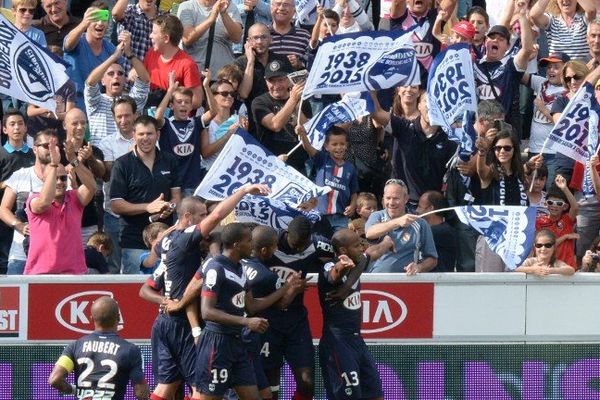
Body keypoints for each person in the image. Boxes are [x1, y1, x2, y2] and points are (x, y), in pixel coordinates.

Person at [140, 184, 270, 400]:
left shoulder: (167, 241)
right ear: (189, 217)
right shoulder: (186, 241)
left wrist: (166, 300)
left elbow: (146, 287)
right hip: (183, 324)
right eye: (202, 216)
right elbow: (218, 214)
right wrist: (244, 191)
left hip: (164, 322)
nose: (208, 219)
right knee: (198, 389)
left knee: (167, 385)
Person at [262, 215, 335, 400]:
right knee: (271, 385)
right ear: (286, 234)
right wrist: (290, 289)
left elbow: (340, 255)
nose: (299, 248)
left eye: (304, 244)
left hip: (296, 321)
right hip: (267, 321)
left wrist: (333, 268)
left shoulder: (319, 246)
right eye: (296, 244)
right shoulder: (269, 243)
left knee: (307, 382)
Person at [193, 223, 269, 400]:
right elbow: (207, 311)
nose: (252, 245)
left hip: (237, 343)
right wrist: (246, 322)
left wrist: (286, 290)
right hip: (216, 343)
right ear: (236, 245)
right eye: (248, 241)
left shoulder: (240, 268)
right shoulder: (215, 268)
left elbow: (251, 306)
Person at [110, 116, 182, 274]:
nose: (145, 138)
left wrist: (170, 206)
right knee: (133, 293)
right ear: (133, 135)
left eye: (149, 134)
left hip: (165, 239)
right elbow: (116, 204)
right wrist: (148, 207)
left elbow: (176, 197)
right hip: (133, 241)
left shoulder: (170, 161)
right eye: (141, 134)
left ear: (158, 135)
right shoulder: (122, 164)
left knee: (164, 291)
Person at [319, 229, 383, 400]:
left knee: (376, 395)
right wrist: (342, 266)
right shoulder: (330, 265)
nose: (361, 248)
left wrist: (388, 242)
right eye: (356, 246)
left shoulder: (358, 262)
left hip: (357, 341)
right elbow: (333, 276)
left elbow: (368, 255)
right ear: (343, 251)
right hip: (338, 344)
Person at [48, 296, 150, 400]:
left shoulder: (74, 347)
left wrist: (74, 390)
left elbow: (54, 380)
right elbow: (141, 393)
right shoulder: (131, 350)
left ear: (91, 318)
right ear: (118, 318)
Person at [371, 92, 457, 210]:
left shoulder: (450, 139)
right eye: (427, 101)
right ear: (419, 106)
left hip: (431, 209)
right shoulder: (404, 128)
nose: (431, 106)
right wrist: (369, 88)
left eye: (436, 102)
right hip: (403, 205)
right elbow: (376, 112)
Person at [24, 140, 96, 275]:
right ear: (44, 180)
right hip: (40, 275)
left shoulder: (75, 198)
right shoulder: (34, 200)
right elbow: (45, 202)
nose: (59, 182)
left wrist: (74, 160)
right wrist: (53, 164)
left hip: (74, 274)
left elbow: (91, 186)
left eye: (63, 178)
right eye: (55, 178)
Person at [0, 130, 56, 275]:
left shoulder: (62, 177)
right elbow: (3, 209)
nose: (51, 149)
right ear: (35, 148)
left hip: (54, 255)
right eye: (46, 145)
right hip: (20, 255)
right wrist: (18, 225)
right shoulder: (20, 175)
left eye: (54, 146)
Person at [85, 30, 150, 146]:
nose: (116, 76)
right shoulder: (97, 101)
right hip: (100, 157)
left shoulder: (131, 101)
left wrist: (129, 52)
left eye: (120, 74)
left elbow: (145, 80)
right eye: (110, 74)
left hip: (127, 157)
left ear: (125, 80)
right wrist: (114, 56)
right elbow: (90, 82)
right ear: (102, 81)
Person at [98, 96, 138, 273]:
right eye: (119, 116)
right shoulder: (107, 142)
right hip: (113, 214)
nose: (123, 120)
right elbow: (108, 175)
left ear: (135, 115)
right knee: (113, 266)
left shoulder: (146, 139)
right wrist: (131, 156)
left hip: (140, 213)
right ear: (113, 117)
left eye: (127, 115)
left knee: (137, 264)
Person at [365, 179, 438, 274]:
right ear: (383, 199)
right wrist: (398, 222)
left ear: (406, 199)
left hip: (405, 282)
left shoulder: (420, 223)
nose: (391, 203)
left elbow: (432, 259)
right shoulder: (377, 216)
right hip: (375, 282)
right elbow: (369, 233)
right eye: (388, 198)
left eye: (396, 198)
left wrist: (419, 267)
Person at [251, 59, 311, 173]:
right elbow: (275, 125)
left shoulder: (302, 101)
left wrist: (297, 104)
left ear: (289, 79)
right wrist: (292, 100)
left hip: (299, 166)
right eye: (271, 81)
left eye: (280, 80)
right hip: (270, 165)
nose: (276, 86)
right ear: (266, 81)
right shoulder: (259, 102)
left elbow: (308, 130)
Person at [297, 125, 359, 232]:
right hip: (319, 214)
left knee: (341, 243)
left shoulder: (350, 168)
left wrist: (353, 205)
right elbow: (308, 147)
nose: (338, 147)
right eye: (334, 144)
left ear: (346, 145)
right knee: (319, 241)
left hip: (340, 217)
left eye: (342, 144)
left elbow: (354, 191)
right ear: (326, 146)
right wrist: (302, 134)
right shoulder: (322, 159)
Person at [155, 73, 207, 196]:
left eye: (187, 102)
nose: (183, 104)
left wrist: (206, 87)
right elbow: (157, 117)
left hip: (192, 184)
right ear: (172, 106)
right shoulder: (166, 123)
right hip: (171, 185)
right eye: (179, 102)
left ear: (191, 106)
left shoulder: (196, 122)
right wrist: (170, 91)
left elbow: (214, 112)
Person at [235, 23, 293, 130]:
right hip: (252, 120)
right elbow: (243, 93)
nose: (260, 42)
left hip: (280, 117)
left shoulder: (281, 60)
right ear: (248, 41)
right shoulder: (241, 63)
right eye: (255, 38)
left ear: (271, 39)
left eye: (263, 37)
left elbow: (290, 88)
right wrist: (251, 62)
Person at [63, 1, 120, 110]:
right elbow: (68, 45)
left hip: (99, 104)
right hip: (74, 103)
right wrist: (84, 23)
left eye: (104, 19)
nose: (100, 23)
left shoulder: (110, 49)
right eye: (95, 18)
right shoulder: (77, 40)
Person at [523, 51, 570, 186]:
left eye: (556, 67)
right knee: (531, 191)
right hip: (535, 150)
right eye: (548, 67)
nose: (551, 70)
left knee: (550, 195)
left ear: (566, 69)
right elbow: (518, 74)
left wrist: (543, 108)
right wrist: (527, 57)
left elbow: (561, 124)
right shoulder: (541, 83)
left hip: (555, 154)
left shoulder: (570, 92)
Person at [0, 110, 34, 274]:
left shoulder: (35, 153)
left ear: (26, 127)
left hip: (30, 217)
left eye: (20, 123)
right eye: (12, 124)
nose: (17, 128)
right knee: (5, 262)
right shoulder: (1, 154)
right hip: (5, 218)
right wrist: (7, 184)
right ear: (4, 129)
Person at [144, 15, 203, 109]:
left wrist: (172, 100)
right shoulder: (151, 53)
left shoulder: (187, 64)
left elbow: (196, 101)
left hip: (173, 119)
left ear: (166, 38)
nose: (150, 35)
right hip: (150, 116)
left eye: (154, 32)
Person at [389, 0, 457, 70]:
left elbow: (451, 2)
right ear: (407, 1)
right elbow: (397, 2)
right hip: (402, 78)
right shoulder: (399, 16)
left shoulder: (436, 16)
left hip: (428, 79)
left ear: (430, 1)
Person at [177, 0, 243, 73]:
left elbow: (237, 38)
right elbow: (187, 39)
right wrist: (211, 18)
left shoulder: (229, 6)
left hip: (221, 75)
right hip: (193, 75)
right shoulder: (187, 6)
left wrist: (224, 13)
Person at [535, 175, 579, 268]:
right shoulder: (539, 222)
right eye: (551, 202)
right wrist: (565, 237)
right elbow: (546, 245)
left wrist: (564, 188)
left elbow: (575, 207)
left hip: (567, 267)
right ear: (545, 204)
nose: (554, 206)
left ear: (565, 207)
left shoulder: (567, 220)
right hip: (547, 267)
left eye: (559, 203)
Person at [530, 0, 596, 62]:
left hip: (580, 72)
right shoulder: (552, 20)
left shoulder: (583, 19)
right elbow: (534, 15)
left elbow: (591, 10)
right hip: (557, 72)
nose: (565, 0)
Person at [112, 0, 165, 73]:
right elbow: (116, 14)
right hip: (128, 75)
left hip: (152, 76)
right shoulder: (130, 11)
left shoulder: (164, 17)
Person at [416, 190, 457, 272]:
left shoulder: (441, 232)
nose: (417, 210)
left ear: (431, 208)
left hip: (439, 281)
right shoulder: (442, 229)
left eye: (420, 206)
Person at [269, 0, 311, 69]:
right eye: (278, 4)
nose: (281, 8)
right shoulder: (262, 34)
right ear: (271, 8)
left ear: (294, 11)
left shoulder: (304, 36)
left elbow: (312, 64)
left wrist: (299, 64)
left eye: (286, 5)